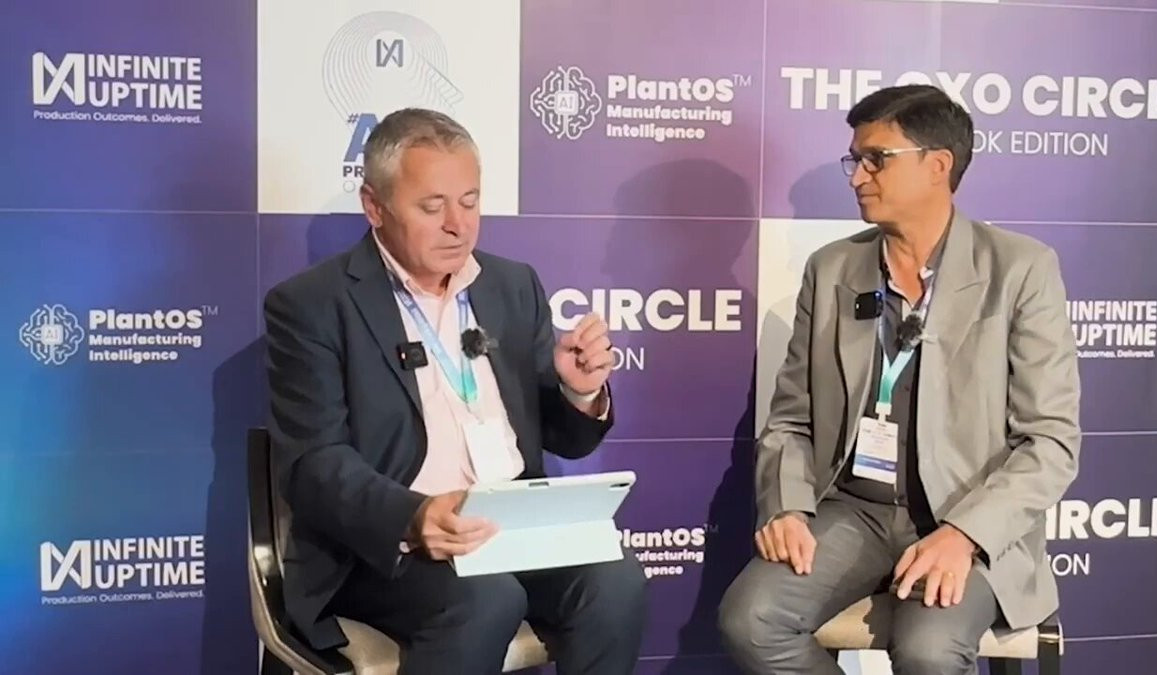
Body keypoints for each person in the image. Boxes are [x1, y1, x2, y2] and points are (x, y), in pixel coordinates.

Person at [263, 107, 646, 674]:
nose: (457, 225)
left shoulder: (512, 285)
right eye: (432, 206)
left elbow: (564, 437)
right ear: (375, 206)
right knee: (486, 599)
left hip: (510, 524)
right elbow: (313, 464)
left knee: (616, 580)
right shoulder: (313, 305)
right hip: (388, 546)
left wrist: (579, 393)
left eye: (469, 201)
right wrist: (413, 516)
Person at [718, 84, 1081, 674]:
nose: (858, 176)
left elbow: (1050, 442)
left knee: (928, 650)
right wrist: (786, 506)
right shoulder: (832, 269)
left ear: (938, 166)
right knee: (751, 620)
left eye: (876, 159)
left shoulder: (1019, 269)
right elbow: (790, 419)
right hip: (852, 510)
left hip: (964, 516)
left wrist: (964, 534)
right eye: (855, 160)